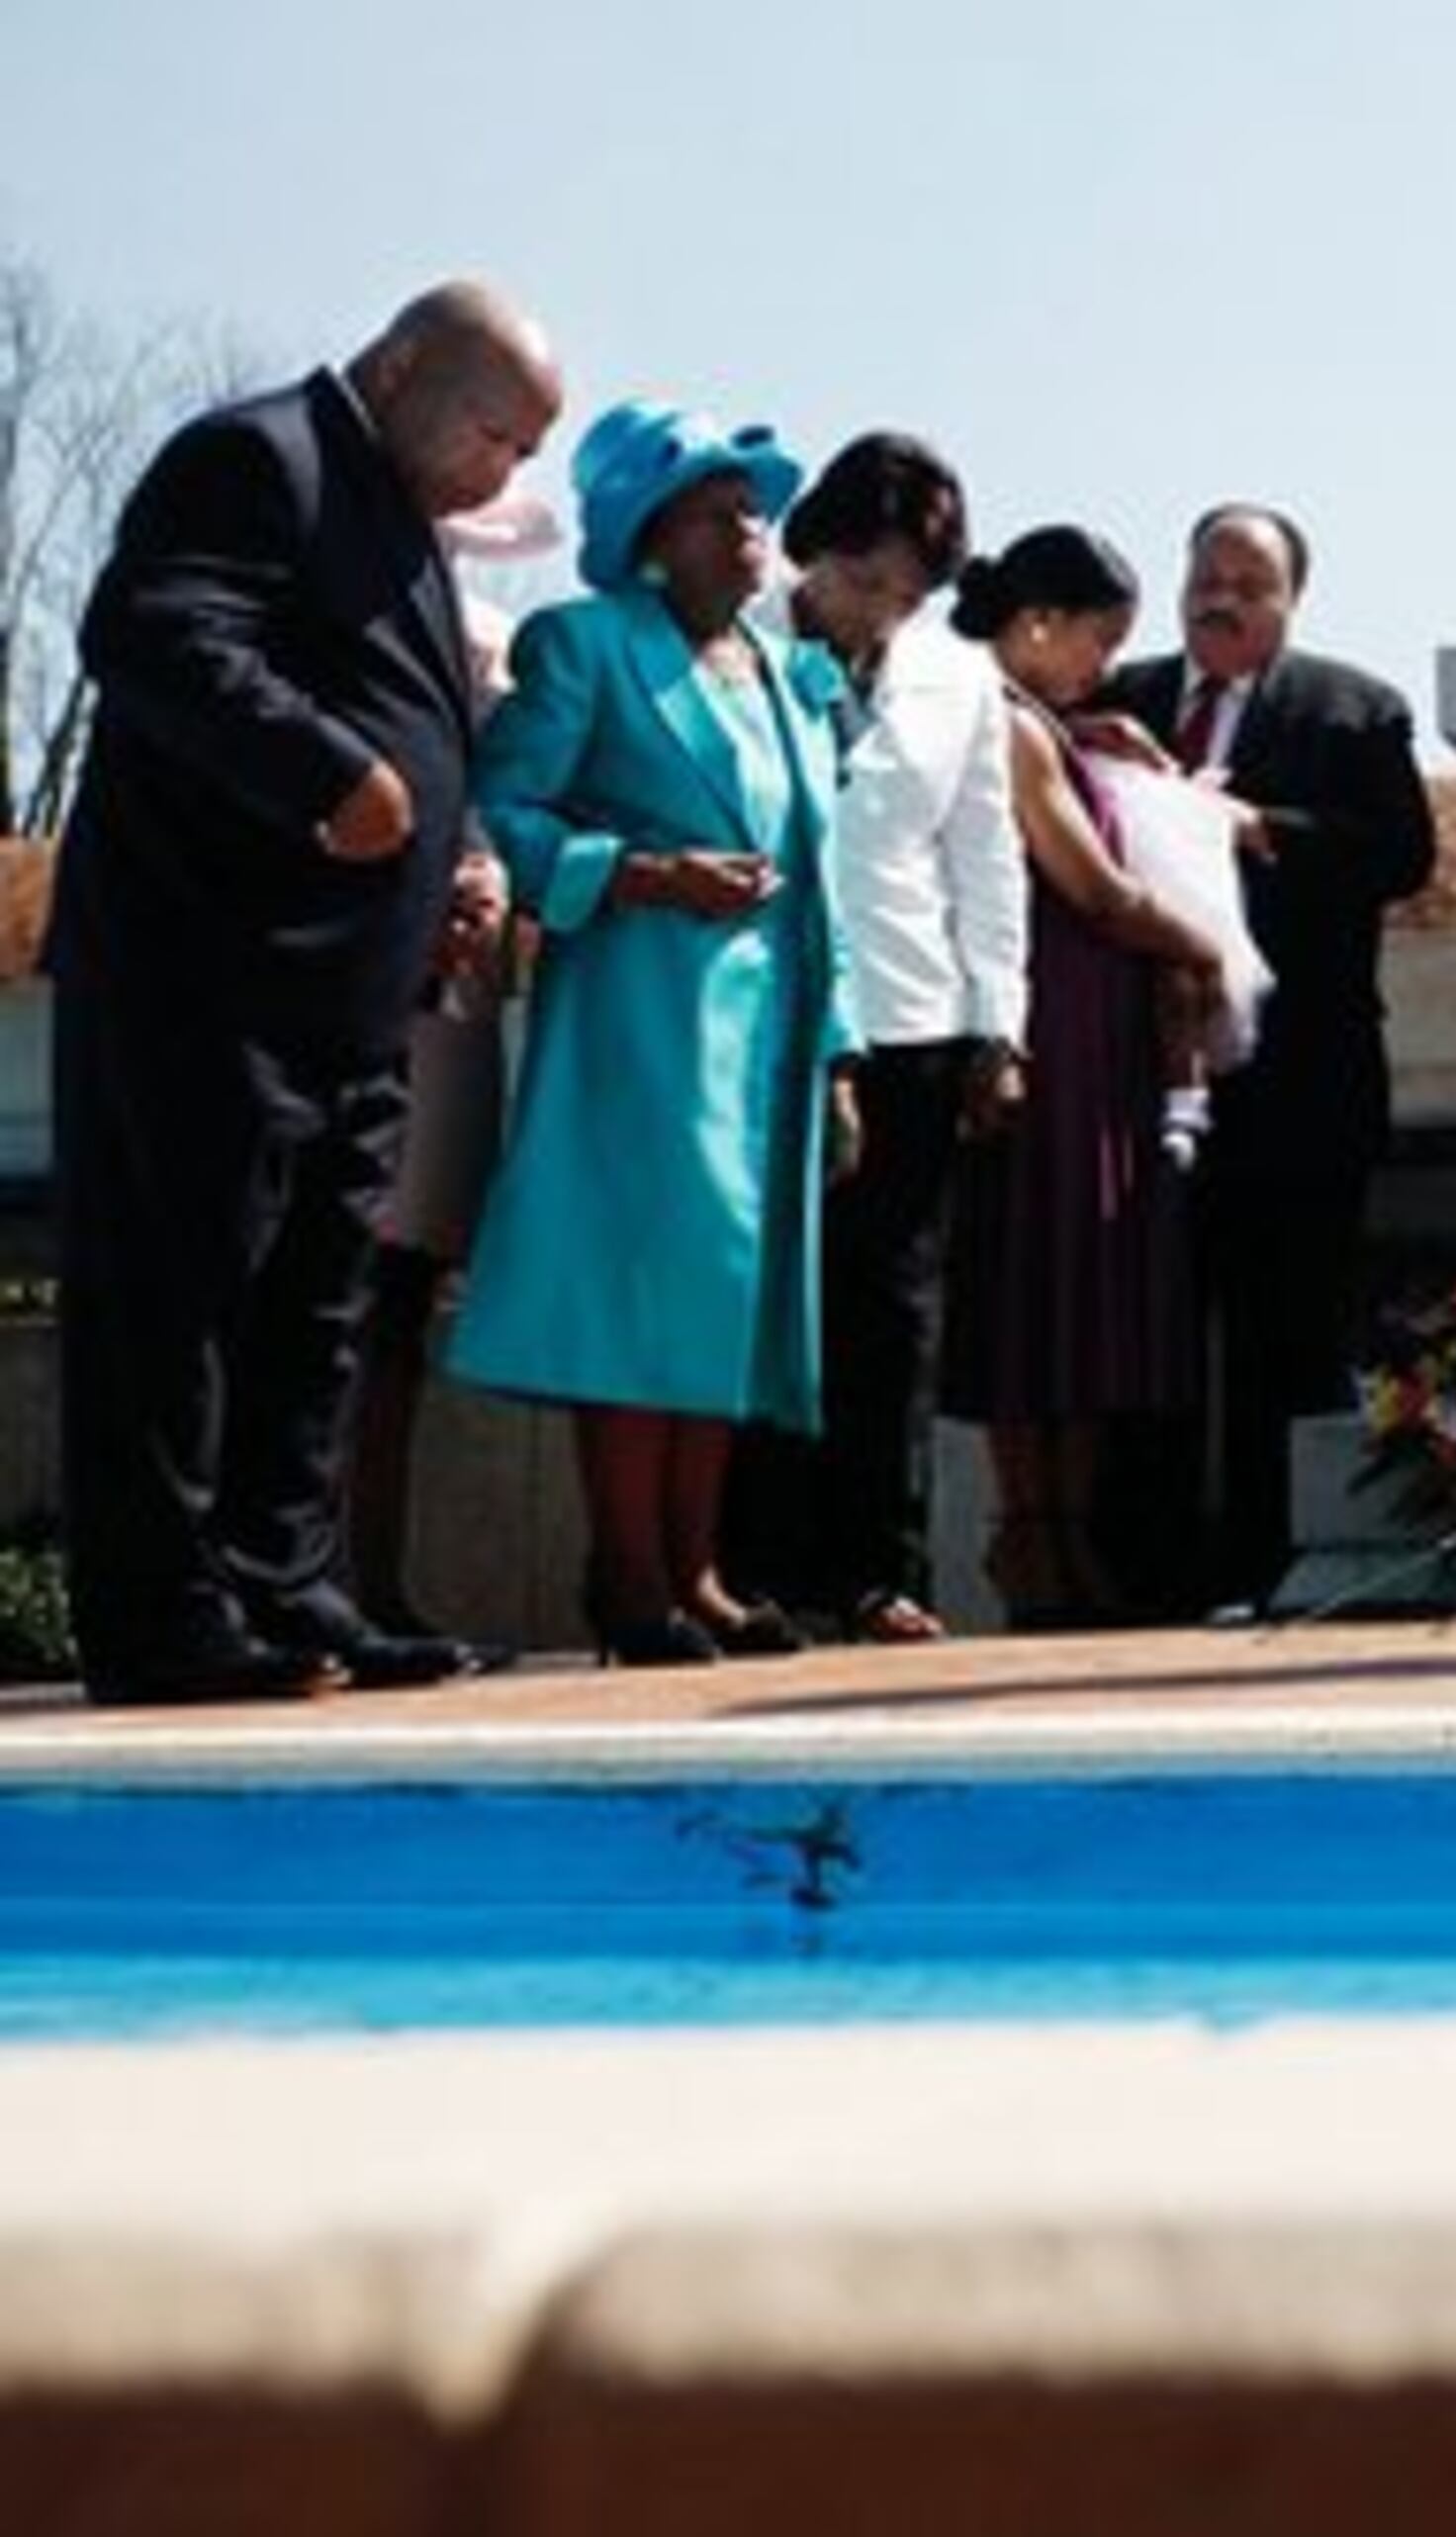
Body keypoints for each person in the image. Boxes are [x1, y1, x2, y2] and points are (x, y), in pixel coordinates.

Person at [48, 280, 560, 1706]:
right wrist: (332, 774)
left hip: (350, 994)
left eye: (524, 450)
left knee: (312, 1308)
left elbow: (414, 718)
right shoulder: (256, 458)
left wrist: (453, 851)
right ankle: (160, 1619)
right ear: (401, 369)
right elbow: (154, 636)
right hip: (201, 971)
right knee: (179, 1298)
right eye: (496, 434)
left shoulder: (397, 513)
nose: (504, 472)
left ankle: (289, 1590)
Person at [446, 402, 853, 1667]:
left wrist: (836, 1058)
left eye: (753, 510)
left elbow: (815, 883)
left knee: (725, 1297)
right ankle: (627, 1574)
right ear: (650, 536)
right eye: (720, 511)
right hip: (637, 1025)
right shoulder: (587, 646)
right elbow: (498, 810)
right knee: (638, 1294)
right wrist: (640, 874)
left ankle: (698, 1567)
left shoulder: (791, 677)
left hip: (766, 1041)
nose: (752, 531)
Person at [1093, 505, 1436, 1617]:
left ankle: (1274, 1573)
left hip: (1299, 1086)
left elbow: (1400, 856)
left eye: (1248, 578)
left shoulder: (1353, 711)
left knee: (1285, 1342)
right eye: (1205, 572)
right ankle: (1141, 1580)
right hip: (1135, 1080)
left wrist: (1251, 827)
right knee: (1142, 1338)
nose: (1219, 594)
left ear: (1291, 601)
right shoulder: (1118, 704)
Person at [720, 431, 1027, 1645]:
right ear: (816, 551)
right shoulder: (733, 641)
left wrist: (1000, 1024)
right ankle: (740, 1563)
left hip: (911, 1013)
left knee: (886, 1303)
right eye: (866, 580)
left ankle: (869, 1565)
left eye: (911, 592)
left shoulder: (958, 678)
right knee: (755, 1290)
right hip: (758, 1008)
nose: (883, 611)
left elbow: (985, 854)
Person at [939, 527, 1230, 1627]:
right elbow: (1096, 889)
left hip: (1097, 1032)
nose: (1108, 664)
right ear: (1040, 623)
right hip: (1050, 1029)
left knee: (1086, 1285)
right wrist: (1200, 943)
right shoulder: (1008, 726)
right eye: (1100, 640)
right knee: (1037, 1278)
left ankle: (1067, 1529)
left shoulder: (1052, 726)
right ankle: (1028, 1533)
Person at [344, 489, 555, 1654]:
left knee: (400, 1303)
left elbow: (500, 798)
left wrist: (483, 881)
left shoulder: (487, 646)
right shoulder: (342, 621)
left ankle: (372, 1581)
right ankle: (312, 1577)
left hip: (456, 997)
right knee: (331, 1294)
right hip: (358, 977)